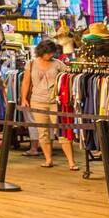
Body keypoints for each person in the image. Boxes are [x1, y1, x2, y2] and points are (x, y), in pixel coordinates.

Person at [23, 40, 74, 169]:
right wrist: (24, 98)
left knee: (62, 130)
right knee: (43, 132)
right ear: (41, 52)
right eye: (48, 53)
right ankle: (48, 159)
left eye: (52, 53)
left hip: (55, 102)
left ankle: (71, 162)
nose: (50, 55)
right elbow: (26, 82)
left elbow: (67, 80)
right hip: (37, 101)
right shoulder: (31, 64)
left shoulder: (59, 64)